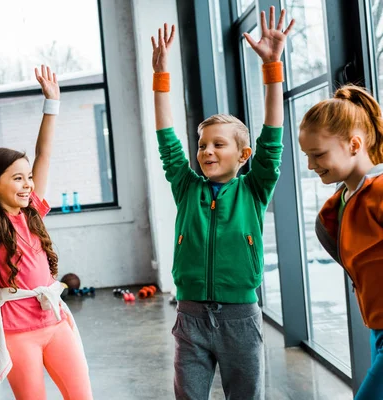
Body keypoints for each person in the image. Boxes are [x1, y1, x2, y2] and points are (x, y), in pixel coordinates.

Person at [151, 7, 294, 399]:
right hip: (191, 316)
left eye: (218, 144)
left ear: (244, 154)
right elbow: (167, 139)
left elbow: (273, 135)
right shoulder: (187, 187)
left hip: (240, 318)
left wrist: (272, 69)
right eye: (202, 145)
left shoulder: (255, 186)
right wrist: (160, 77)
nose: (206, 152)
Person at [0, 63, 93, 400]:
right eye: (17, 178)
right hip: (17, 332)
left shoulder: (34, 212)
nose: (28, 184)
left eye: (28, 177)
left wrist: (52, 103)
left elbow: (44, 153)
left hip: (55, 322)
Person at [299, 84, 383, 399]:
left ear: (354, 144)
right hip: (377, 323)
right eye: (307, 156)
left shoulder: (379, 191)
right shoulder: (340, 204)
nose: (310, 165)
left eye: (318, 154)